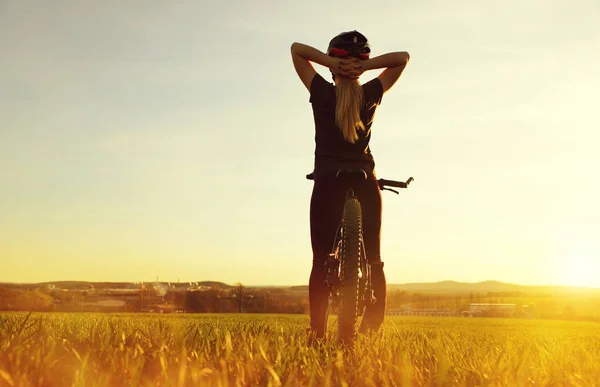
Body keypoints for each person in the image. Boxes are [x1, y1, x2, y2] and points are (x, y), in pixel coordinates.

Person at [290, 30, 410, 342]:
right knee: (374, 259)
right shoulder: (370, 93)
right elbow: (402, 59)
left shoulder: (321, 92)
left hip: (329, 182)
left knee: (320, 262)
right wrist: (364, 68)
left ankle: (316, 335)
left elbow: (297, 50)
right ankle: (372, 331)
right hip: (365, 183)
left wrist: (332, 63)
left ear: (332, 68)